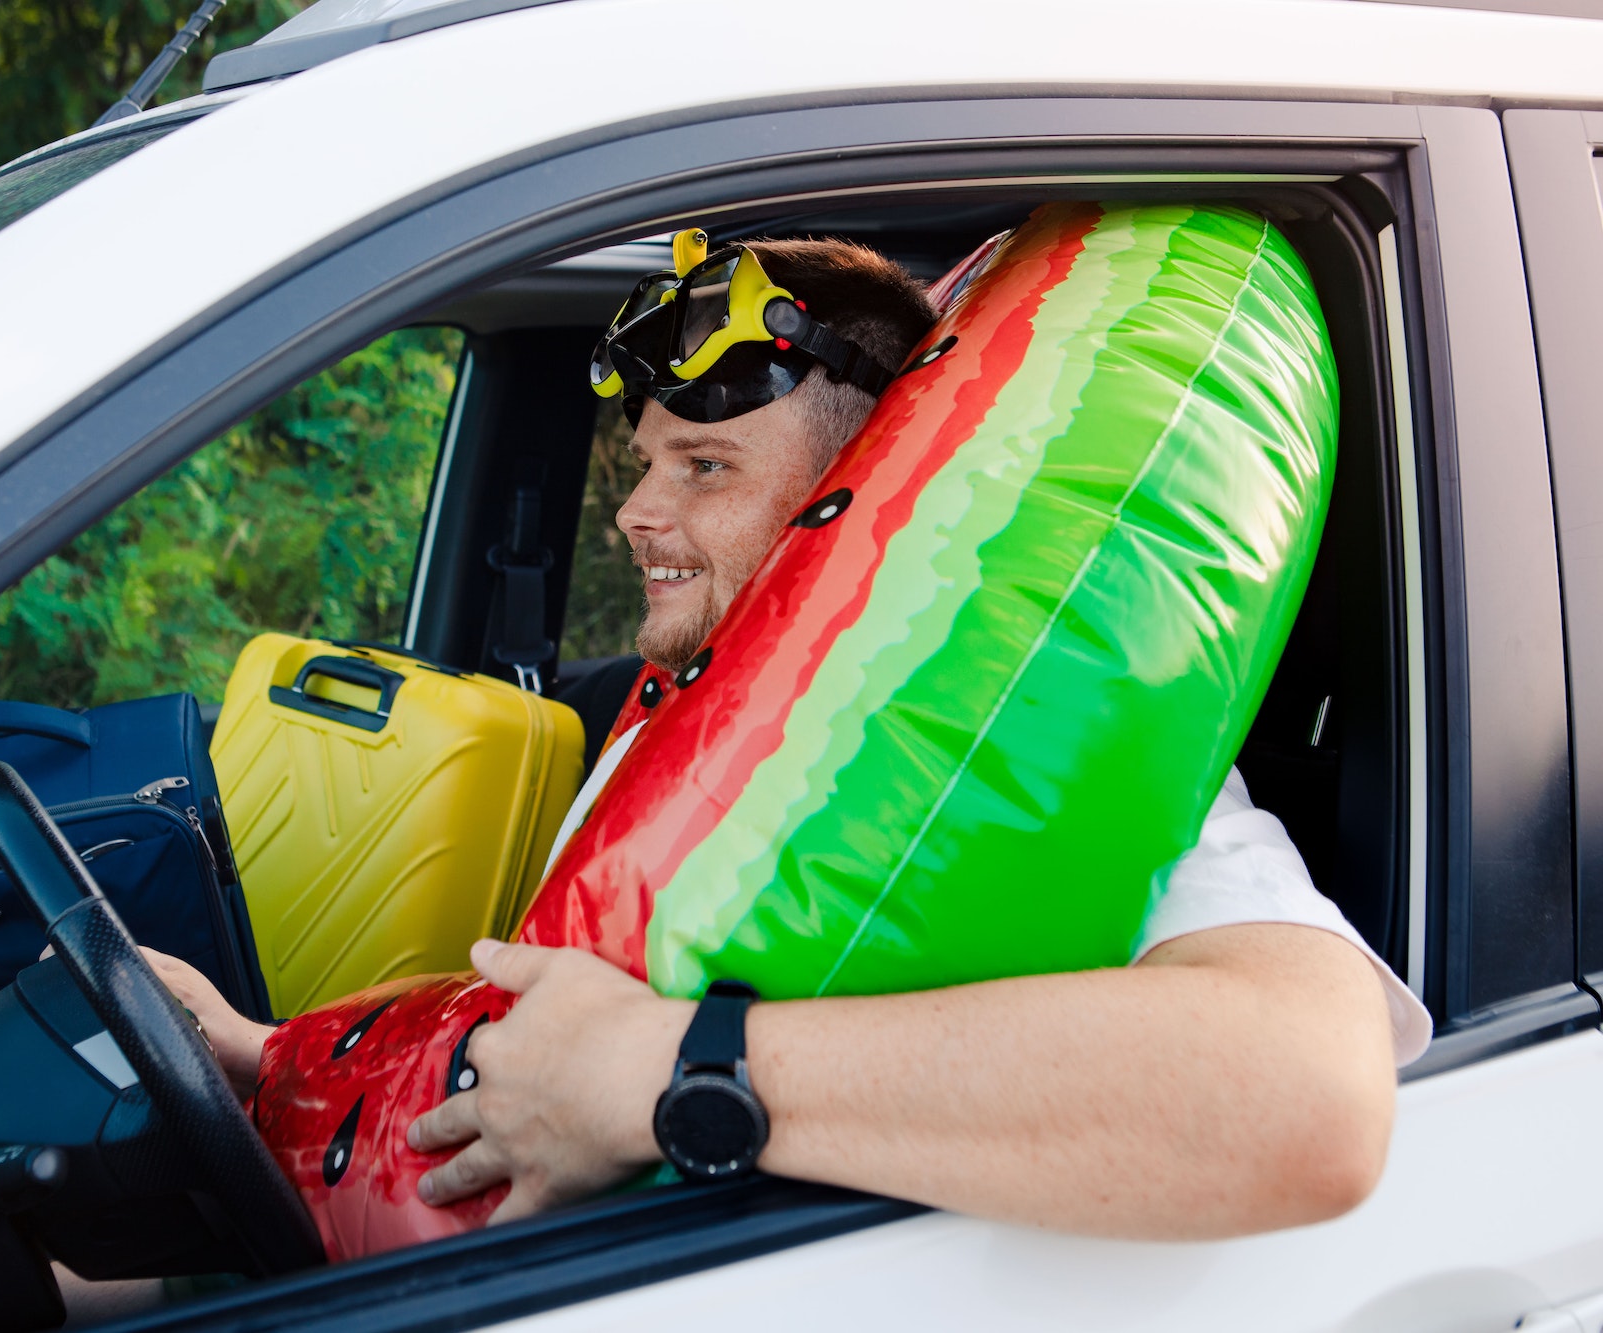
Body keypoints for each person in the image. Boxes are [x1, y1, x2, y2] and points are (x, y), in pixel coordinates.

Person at [148, 232, 1431, 1244]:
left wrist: (672, 1067)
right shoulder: (684, 713)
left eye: (705, 466)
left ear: (851, 484)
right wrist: (265, 1064)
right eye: (641, 462)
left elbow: (1307, 1099)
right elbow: (539, 1039)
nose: (636, 512)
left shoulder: (997, 730)